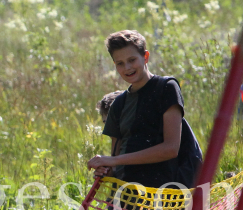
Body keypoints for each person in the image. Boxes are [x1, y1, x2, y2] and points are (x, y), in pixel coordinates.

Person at [87, 30, 203, 189]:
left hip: (167, 195)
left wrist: (113, 161)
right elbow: (116, 162)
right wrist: (107, 170)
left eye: (132, 60)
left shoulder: (167, 88)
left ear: (146, 56)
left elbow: (170, 149)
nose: (127, 67)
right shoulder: (118, 105)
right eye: (120, 63)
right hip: (127, 199)